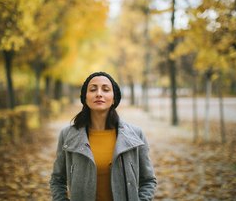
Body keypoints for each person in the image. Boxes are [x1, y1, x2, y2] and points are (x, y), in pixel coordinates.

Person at [50, 71, 157, 201]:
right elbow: (57, 180)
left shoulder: (135, 134)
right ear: (85, 98)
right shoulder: (67, 135)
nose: (99, 94)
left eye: (105, 89)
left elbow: (148, 180)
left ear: (114, 99)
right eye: (93, 89)